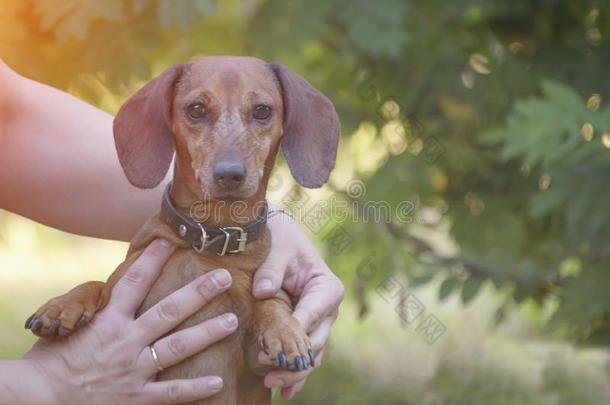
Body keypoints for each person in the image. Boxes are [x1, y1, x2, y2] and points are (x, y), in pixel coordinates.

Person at [0, 59, 344, 404]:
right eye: (197, 111)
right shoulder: (154, 245)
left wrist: (276, 316)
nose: (230, 163)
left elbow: (11, 115)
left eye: (261, 113)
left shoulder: (265, 281)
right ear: (167, 121)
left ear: (289, 122)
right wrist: (47, 376)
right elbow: (118, 306)